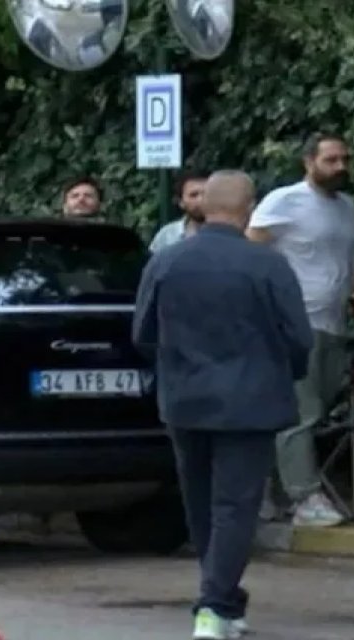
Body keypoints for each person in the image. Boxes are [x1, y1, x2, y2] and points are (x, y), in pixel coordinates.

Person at [132, 169, 313, 640]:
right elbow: (299, 337)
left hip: (185, 399)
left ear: (204, 205)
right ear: (248, 208)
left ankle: (223, 599)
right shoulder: (268, 265)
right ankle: (214, 605)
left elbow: (142, 334)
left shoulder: (165, 262)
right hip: (251, 401)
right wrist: (284, 373)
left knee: (200, 502)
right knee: (235, 505)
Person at [246, 131, 354, 527]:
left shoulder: (348, 208)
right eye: (331, 160)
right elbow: (250, 251)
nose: (340, 167)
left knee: (315, 409)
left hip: (335, 322)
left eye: (345, 159)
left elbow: (353, 260)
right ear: (308, 162)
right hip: (295, 321)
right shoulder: (285, 201)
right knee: (302, 411)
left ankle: (268, 491)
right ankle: (305, 496)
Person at [150, 170, 209, 252]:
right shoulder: (167, 235)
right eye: (194, 195)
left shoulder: (226, 232)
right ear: (181, 202)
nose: (201, 200)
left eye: (207, 194)